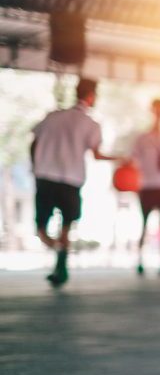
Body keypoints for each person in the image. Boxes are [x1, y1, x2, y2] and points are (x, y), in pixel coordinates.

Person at [30, 78, 120, 287]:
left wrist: (35, 166)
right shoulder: (91, 124)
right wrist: (120, 158)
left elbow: (34, 142)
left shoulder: (53, 117)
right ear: (90, 96)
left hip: (45, 175)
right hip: (71, 179)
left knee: (41, 228)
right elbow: (97, 155)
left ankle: (60, 263)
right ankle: (61, 258)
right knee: (66, 226)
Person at [131, 99, 160, 277]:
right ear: (152, 112)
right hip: (147, 186)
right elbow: (133, 162)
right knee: (144, 224)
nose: (159, 114)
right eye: (157, 111)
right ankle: (140, 262)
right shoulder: (142, 140)